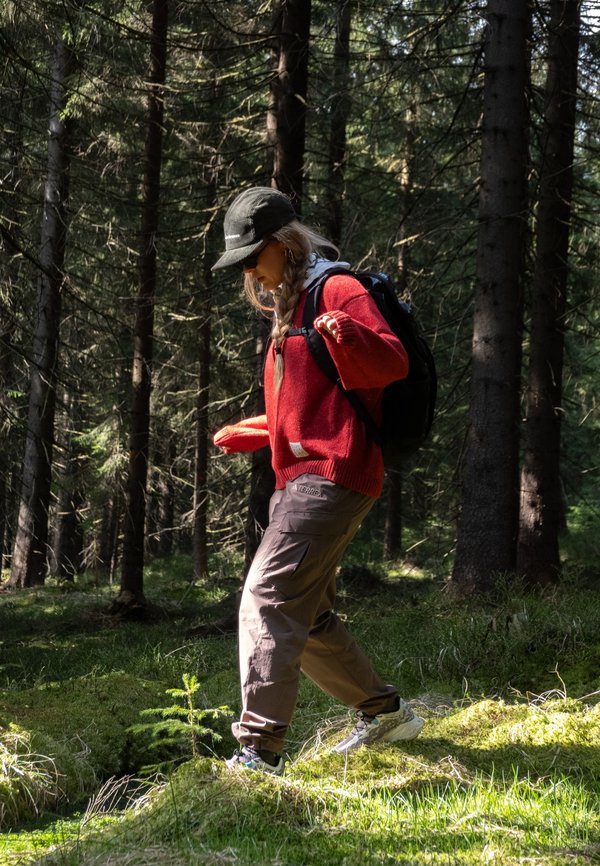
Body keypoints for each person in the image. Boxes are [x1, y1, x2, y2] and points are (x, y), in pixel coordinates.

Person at [211, 187, 424, 775]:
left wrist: (347, 333)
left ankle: (259, 752)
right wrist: (258, 431)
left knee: (268, 595)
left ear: (283, 244)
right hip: (301, 474)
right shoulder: (291, 302)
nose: (250, 271)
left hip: (332, 474)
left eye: (254, 257)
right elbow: (312, 404)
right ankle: (385, 714)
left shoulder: (336, 289)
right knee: (308, 611)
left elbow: (391, 363)